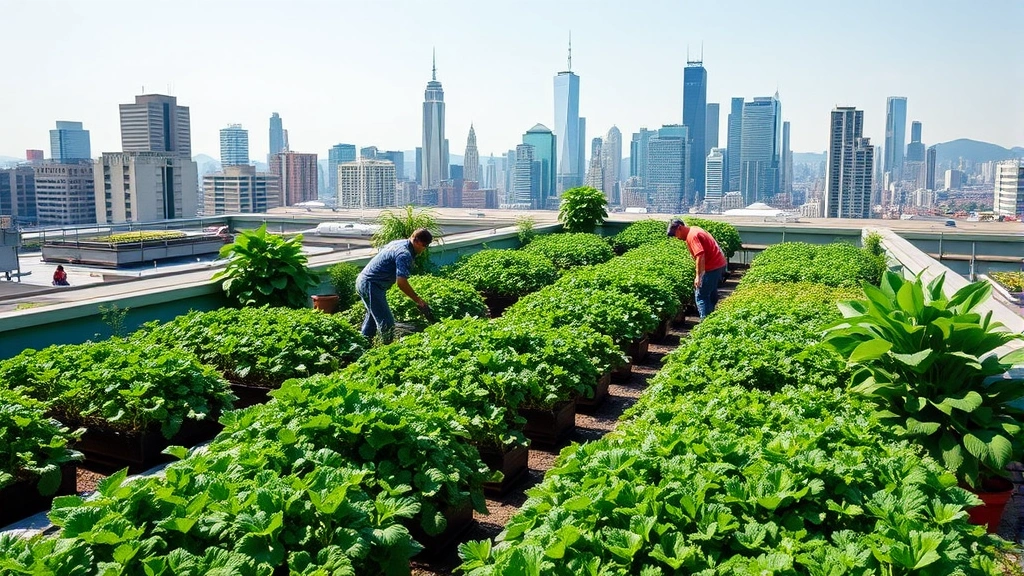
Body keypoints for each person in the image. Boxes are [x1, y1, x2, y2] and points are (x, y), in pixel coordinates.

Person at [356, 228, 432, 343]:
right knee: (387, 322)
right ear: (415, 240)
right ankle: (387, 352)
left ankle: (361, 347)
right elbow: (401, 282)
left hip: (366, 281)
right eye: (424, 245)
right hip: (371, 284)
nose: (424, 248)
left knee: (373, 318)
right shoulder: (404, 254)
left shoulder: (398, 243)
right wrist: (418, 300)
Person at [667, 219, 727, 319]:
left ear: (680, 228)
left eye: (675, 234)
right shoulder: (695, 229)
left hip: (712, 266)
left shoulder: (692, 236)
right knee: (711, 293)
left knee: (701, 295)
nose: (676, 237)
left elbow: (700, 255)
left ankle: (705, 324)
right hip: (719, 264)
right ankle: (712, 318)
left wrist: (698, 276)